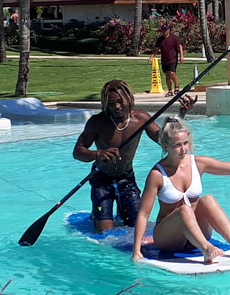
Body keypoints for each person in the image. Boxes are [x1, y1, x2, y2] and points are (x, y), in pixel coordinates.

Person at [131, 117, 230, 264]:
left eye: (185, 143)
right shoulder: (157, 174)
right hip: (169, 239)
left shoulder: (198, 163)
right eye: (177, 145)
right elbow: (143, 214)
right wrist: (136, 251)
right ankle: (206, 248)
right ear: (165, 146)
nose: (183, 149)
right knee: (184, 210)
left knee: (208, 200)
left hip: (196, 235)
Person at [73, 79, 195, 232]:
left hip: (126, 179)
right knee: (105, 234)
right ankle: (98, 214)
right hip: (102, 181)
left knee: (137, 227)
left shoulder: (141, 118)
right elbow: (77, 152)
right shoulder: (97, 122)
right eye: (111, 104)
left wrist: (181, 114)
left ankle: (116, 210)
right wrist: (98, 154)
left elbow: (165, 139)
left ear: (129, 99)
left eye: (120, 102)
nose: (117, 107)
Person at [154, 24, 184, 96]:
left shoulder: (174, 38)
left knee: (171, 72)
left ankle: (177, 86)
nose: (164, 31)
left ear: (169, 30)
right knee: (167, 75)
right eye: (163, 30)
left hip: (173, 59)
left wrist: (181, 56)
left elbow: (180, 46)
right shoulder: (160, 39)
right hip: (164, 60)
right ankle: (170, 90)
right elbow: (156, 49)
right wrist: (152, 57)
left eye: (166, 29)